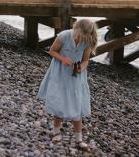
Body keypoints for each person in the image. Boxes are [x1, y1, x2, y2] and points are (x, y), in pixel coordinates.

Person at [37, 19, 98, 152]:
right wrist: (63, 59)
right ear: (75, 28)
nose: (79, 38)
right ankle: (56, 132)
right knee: (60, 101)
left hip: (76, 76)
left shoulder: (87, 40)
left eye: (82, 37)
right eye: (78, 35)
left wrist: (81, 67)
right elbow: (52, 51)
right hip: (60, 72)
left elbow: (85, 60)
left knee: (77, 104)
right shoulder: (64, 36)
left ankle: (79, 139)